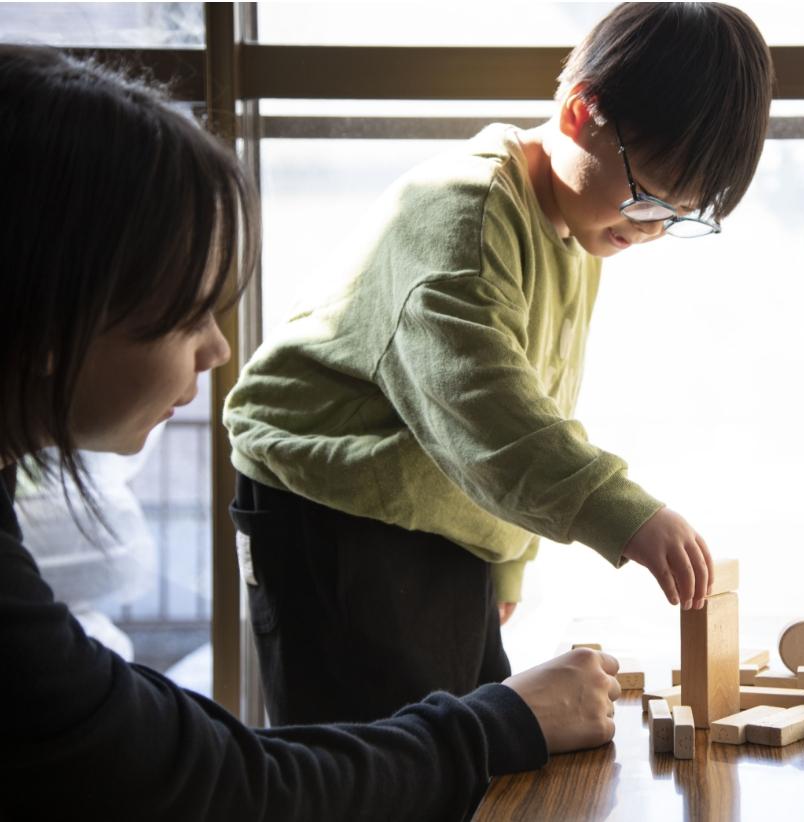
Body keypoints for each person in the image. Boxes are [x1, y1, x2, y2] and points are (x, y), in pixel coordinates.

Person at [0, 44, 620, 821]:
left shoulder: (574, 242)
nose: (218, 350)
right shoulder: (469, 205)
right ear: (54, 315)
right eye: (188, 314)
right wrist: (505, 720)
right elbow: (210, 783)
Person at [224, 1, 773, 727]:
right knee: (374, 761)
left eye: (680, 216)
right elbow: (486, 408)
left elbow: (540, 398)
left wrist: (506, 556)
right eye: (648, 200)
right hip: (331, 500)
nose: (653, 231)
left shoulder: (581, 224)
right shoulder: (465, 214)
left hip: (434, 504)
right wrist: (628, 514)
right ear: (583, 114)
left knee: (464, 743)